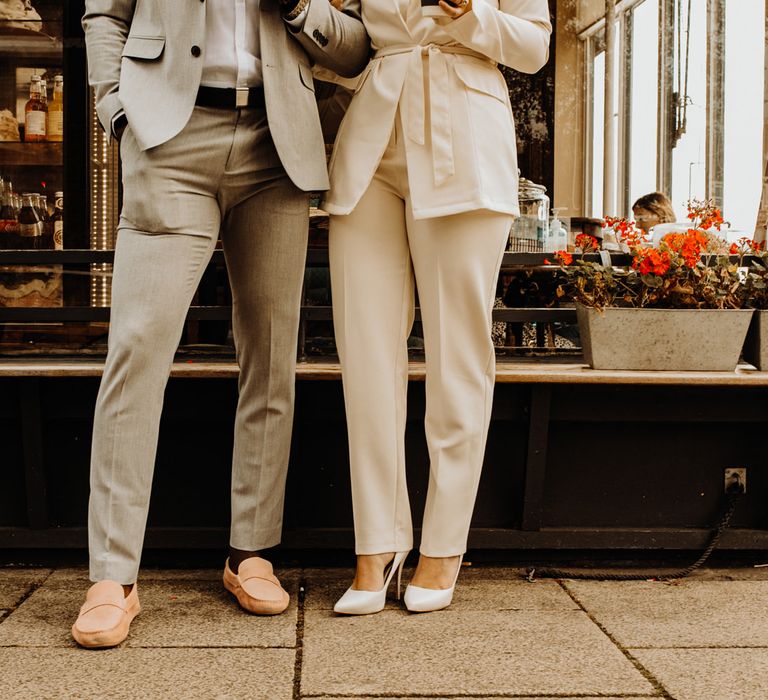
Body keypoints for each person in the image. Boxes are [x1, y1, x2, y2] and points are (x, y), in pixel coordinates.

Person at [72, 0, 369, 648]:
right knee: (138, 348)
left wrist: (299, 8)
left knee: (271, 354)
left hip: (278, 145)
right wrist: (115, 110)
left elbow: (353, 45)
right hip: (167, 137)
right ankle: (112, 577)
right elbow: (104, 13)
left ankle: (250, 554)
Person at [325, 0, 551, 614]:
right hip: (373, 134)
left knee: (457, 354)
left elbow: (534, 48)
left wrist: (470, 13)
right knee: (365, 354)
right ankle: (376, 544)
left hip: (465, 135)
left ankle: (443, 545)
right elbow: (342, 36)